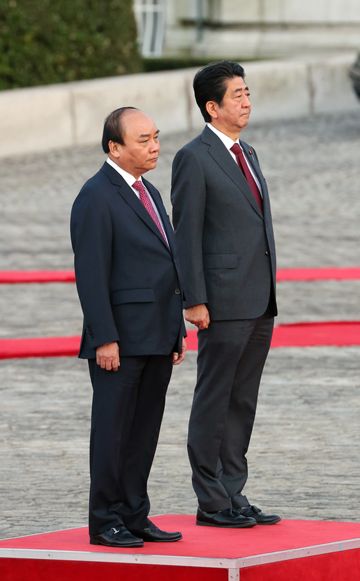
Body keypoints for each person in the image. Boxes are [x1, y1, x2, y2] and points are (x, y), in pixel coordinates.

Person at [171, 61, 280, 528]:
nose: (246, 101)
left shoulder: (247, 151)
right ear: (211, 107)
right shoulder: (194, 157)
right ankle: (211, 501)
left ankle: (233, 492)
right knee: (215, 398)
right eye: (237, 95)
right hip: (221, 301)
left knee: (243, 399)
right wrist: (194, 299)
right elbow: (187, 232)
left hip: (258, 298)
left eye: (248, 92)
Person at [70, 107, 186, 547]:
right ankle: (104, 521)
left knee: (143, 432)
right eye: (143, 139)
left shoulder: (150, 192)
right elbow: (92, 274)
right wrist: (106, 338)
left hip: (157, 334)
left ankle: (135, 514)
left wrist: (175, 330)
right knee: (113, 432)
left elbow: (167, 265)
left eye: (155, 136)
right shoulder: (96, 196)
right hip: (119, 340)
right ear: (114, 147)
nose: (154, 145)